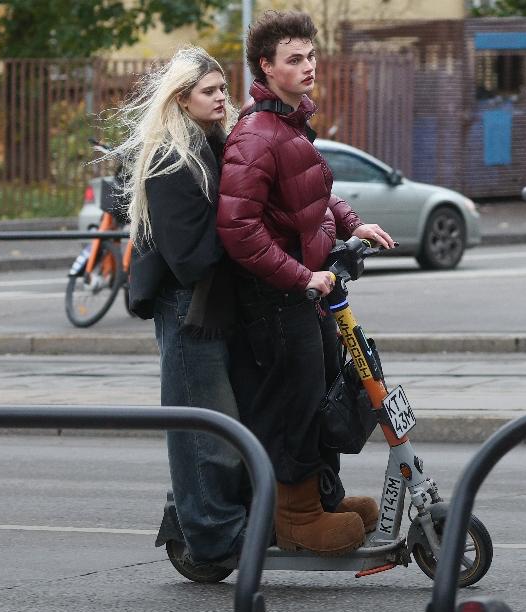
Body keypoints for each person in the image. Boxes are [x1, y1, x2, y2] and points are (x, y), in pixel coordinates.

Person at [216, 11, 396, 556]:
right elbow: (237, 228)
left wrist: (350, 222)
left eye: (311, 56)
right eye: (295, 59)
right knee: (295, 405)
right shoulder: (255, 135)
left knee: (324, 398)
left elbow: (315, 194)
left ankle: (324, 499)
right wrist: (300, 276)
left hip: (310, 296)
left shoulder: (291, 124)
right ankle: (296, 520)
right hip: (278, 301)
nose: (309, 66)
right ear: (266, 68)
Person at [114, 47, 247, 566]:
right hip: (187, 306)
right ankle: (212, 537)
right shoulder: (173, 157)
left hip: (209, 304)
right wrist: (245, 241)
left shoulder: (210, 143)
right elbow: (190, 256)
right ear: (181, 99)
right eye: (209, 91)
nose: (221, 98)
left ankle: (195, 518)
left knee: (221, 426)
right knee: (205, 431)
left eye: (222, 89)